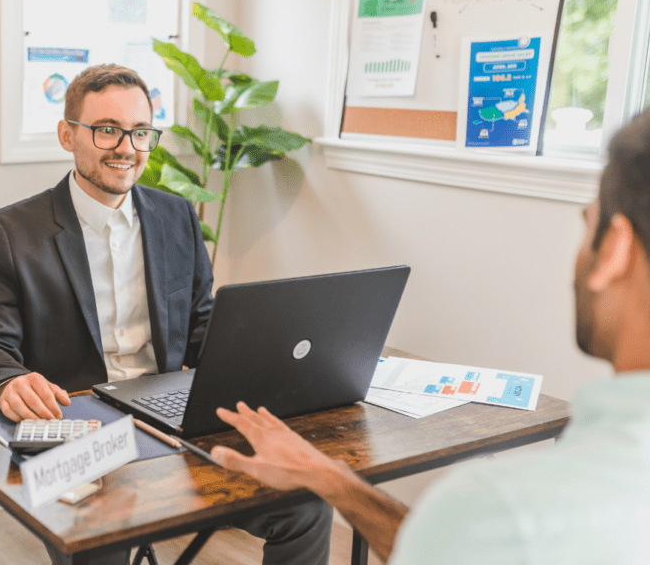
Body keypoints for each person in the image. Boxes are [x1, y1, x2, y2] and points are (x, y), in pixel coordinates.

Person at [210, 110, 650, 564]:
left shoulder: (494, 510)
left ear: (614, 250)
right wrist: (333, 479)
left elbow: (457, 541)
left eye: (586, 223)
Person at [0, 64, 332, 565]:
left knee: (306, 506)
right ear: (68, 135)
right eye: (107, 129)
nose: (127, 148)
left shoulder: (177, 217)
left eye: (139, 132)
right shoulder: (9, 233)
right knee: (103, 541)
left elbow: (202, 328)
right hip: (78, 427)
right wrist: (9, 381)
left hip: (171, 420)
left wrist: (265, 355)